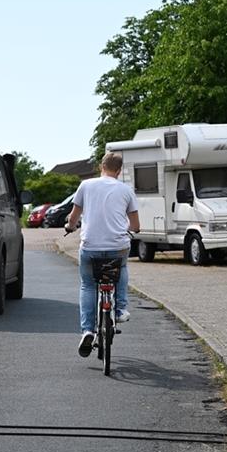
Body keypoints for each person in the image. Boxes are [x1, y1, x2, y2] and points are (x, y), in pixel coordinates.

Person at [65, 152, 140, 357]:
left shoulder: (86, 186)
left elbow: (74, 217)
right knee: (122, 267)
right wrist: (133, 231)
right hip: (117, 247)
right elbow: (135, 225)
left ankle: (88, 330)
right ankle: (121, 309)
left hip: (90, 247)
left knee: (88, 284)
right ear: (119, 170)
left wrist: (70, 227)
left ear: (101, 166)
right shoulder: (126, 190)